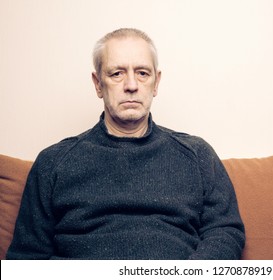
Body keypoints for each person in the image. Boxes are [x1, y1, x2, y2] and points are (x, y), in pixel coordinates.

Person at [6, 28, 245, 260]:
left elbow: (225, 232)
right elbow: (27, 257)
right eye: (117, 73)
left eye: (142, 73)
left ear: (156, 82)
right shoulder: (53, 162)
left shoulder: (197, 154)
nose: (131, 85)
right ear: (98, 83)